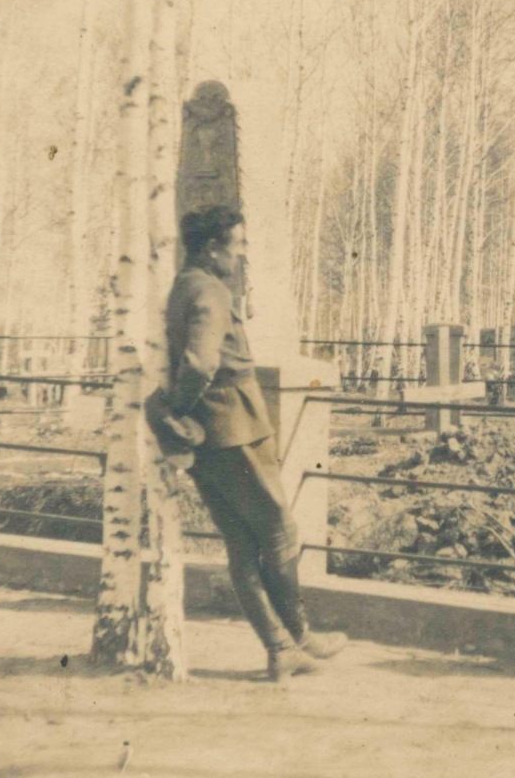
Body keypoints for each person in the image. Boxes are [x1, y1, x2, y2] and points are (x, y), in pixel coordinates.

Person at [150, 203, 346, 681]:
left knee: (241, 543)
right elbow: (201, 362)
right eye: (236, 246)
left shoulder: (183, 286)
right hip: (234, 429)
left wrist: (181, 412)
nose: (241, 255)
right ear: (211, 249)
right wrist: (180, 406)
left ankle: (281, 648)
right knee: (280, 533)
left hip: (212, 435)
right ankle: (296, 638)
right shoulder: (209, 291)